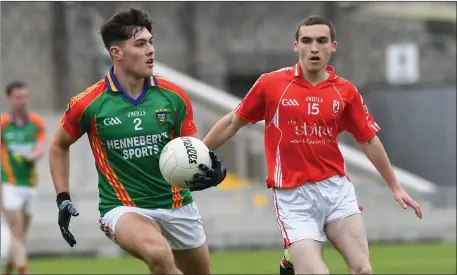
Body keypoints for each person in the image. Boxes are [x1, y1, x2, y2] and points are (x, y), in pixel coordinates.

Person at [202, 15, 422, 274]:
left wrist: (395, 187)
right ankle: (291, 259)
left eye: (321, 41)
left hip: (335, 190)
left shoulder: (346, 92)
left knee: (363, 269)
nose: (314, 48)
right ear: (296, 46)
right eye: (306, 41)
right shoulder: (271, 84)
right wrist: (198, 153)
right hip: (292, 197)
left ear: (333, 46)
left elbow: (369, 140)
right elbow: (232, 122)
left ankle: (291, 259)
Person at [48, 8, 226, 275]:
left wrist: (205, 169)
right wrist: (62, 197)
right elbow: (58, 145)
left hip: (178, 204)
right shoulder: (88, 103)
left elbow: (190, 148)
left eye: (151, 42)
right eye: (140, 44)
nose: (150, 50)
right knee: (159, 254)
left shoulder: (173, 96)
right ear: (116, 52)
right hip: (122, 208)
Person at [1, 81, 47, 275]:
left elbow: (40, 146)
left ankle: (7, 270)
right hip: (9, 184)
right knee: (16, 231)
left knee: (20, 235)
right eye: (18, 97)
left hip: (30, 184)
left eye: (25, 97)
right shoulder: (3, 123)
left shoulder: (36, 122)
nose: (23, 101)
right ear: (10, 99)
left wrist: (35, 154)